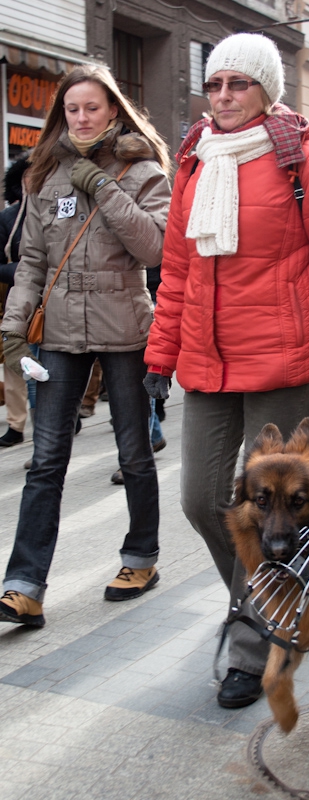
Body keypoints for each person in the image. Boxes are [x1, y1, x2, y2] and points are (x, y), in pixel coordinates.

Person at [144, 32, 309, 709]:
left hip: (283, 363)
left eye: (238, 84)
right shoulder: (195, 161)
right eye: (214, 84)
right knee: (203, 500)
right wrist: (160, 355)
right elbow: (177, 273)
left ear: (266, 90)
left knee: (274, 508)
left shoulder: (301, 160)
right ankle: (265, 597)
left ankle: (256, 641)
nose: (222, 96)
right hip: (207, 362)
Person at [0, 65, 171, 628]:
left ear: (113, 110)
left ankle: (141, 558)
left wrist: (101, 185)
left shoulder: (141, 169)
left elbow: (153, 248)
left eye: (91, 107)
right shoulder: (44, 174)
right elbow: (31, 261)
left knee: (133, 453)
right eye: (71, 109)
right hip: (59, 335)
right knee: (46, 461)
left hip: (125, 329)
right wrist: (12, 329)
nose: (80, 118)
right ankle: (24, 586)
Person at [0, 154, 31, 448]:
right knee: (14, 360)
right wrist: (22, 270)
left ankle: (66, 415)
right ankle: (15, 424)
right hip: (17, 297)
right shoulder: (8, 218)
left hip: (57, 298)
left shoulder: (65, 210)